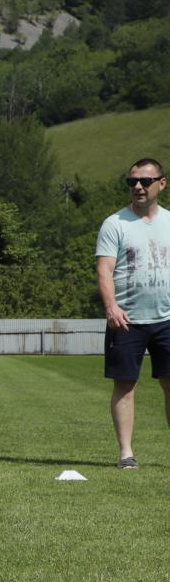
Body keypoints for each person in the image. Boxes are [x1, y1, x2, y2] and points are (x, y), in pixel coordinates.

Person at [96, 158, 170, 469]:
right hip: (126, 321)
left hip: (167, 319)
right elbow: (104, 269)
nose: (138, 187)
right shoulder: (115, 224)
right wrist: (111, 307)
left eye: (145, 181)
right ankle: (126, 454)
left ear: (161, 184)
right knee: (125, 385)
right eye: (132, 182)